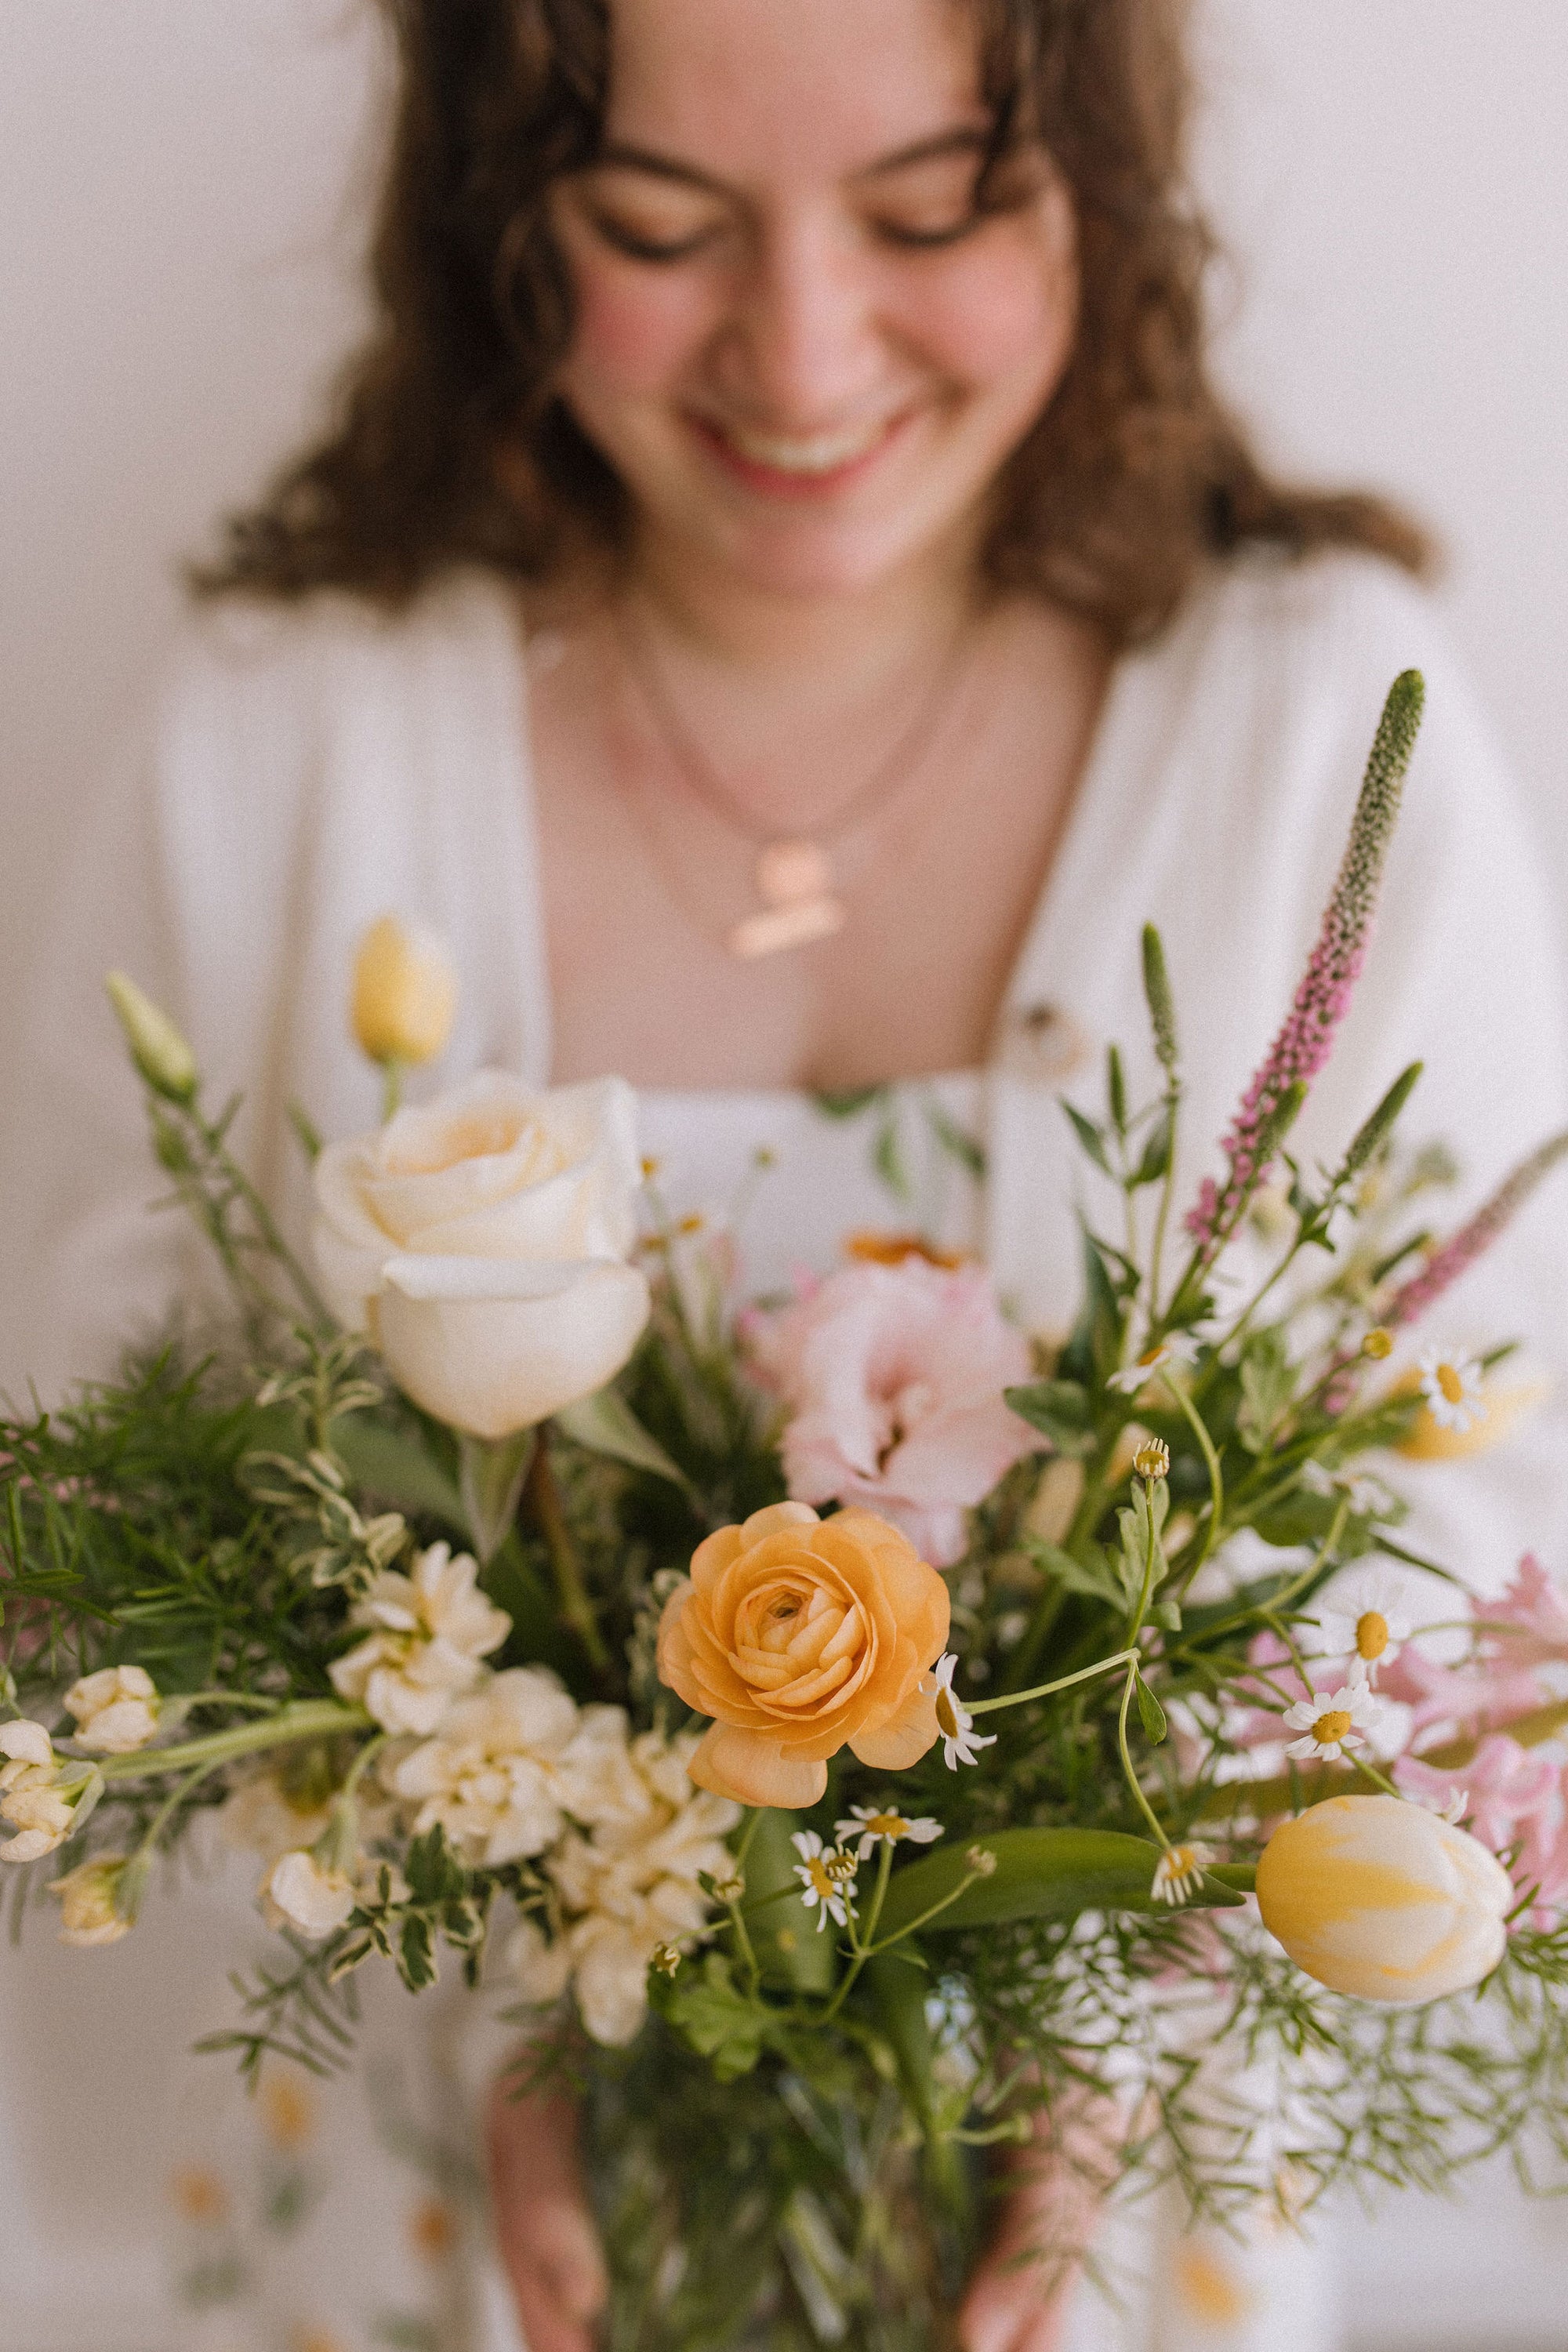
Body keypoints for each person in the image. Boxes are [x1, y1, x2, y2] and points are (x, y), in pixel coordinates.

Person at [2, 0, 1566, 2348]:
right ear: (501, 214)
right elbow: (96, 1546)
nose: (805, 351)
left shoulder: (1313, 725)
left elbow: (1470, 1509)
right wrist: (523, 1999)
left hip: (1113, 2255)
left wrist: (1090, 2016)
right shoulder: (285, 734)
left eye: (931, 211)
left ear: (1102, 199)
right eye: (660, 223)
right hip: (423, 2241)